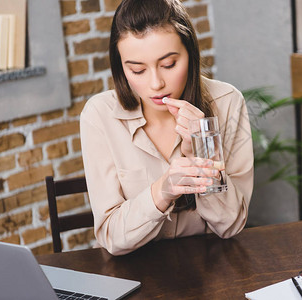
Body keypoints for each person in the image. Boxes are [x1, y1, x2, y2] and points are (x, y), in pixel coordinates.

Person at [80, 0, 254, 255]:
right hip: (132, 272)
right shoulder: (99, 115)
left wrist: (201, 149)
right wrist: (162, 191)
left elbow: (231, 225)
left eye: (169, 64)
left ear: (190, 54)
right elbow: (112, 237)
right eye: (137, 70)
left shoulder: (227, 102)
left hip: (210, 267)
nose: (156, 83)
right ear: (121, 68)